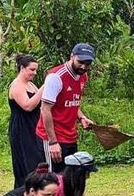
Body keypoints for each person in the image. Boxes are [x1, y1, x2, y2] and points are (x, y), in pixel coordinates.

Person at [35, 43, 96, 173]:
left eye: (88, 63)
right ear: (72, 56)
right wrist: (52, 142)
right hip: (52, 137)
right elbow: (45, 109)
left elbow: (72, 101)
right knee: (52, 180)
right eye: (80, 62)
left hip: (70, 136)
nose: (84, 67)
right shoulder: (56, 77)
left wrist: (82, 117)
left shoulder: (82, 75)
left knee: (69, 178)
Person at [9, 54, 44, 188]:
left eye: (36, 70)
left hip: (34, 127)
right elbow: (28, 106)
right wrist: (44, 87)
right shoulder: (17, 85)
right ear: (22, 68)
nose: (34, 73)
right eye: (32, 69)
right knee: (26, 162)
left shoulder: (31, 85)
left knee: (37, 161)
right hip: (22, 129)